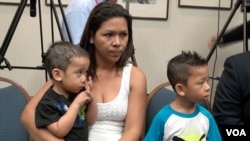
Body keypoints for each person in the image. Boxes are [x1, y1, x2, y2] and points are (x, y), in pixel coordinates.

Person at [21, 2, 147, 141]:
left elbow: (133, 132)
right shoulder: (73, 70)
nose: (117, 42)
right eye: (108, 35)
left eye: (123, 35)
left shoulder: (135, 76)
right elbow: (28, 116)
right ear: (92, 36)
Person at [144, 51, 221, 141]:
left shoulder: (206, 117)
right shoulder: (163, 118)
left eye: (207, 80)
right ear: (180, 89)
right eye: (201, 83)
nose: (208, 87)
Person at [35, 41, 95, 141]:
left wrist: (92, 100)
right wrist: (76, 104)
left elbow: (91, 121)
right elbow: (59, 131)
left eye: (85, 72)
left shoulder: (78, 93)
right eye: (79, 72)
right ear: (58, 75)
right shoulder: (47, 103)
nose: (84, 78)